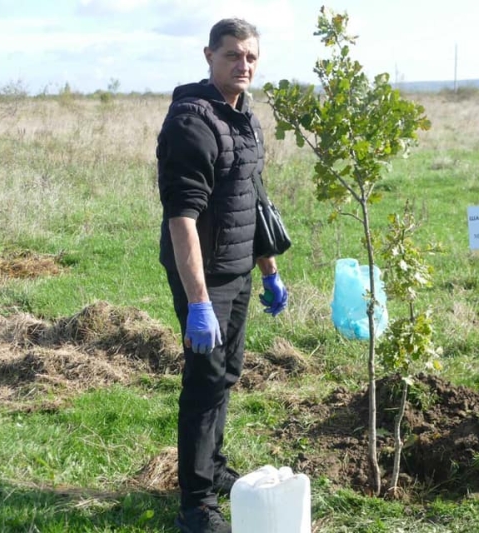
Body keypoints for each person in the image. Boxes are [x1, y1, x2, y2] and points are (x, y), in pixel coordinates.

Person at [156, 18, 288, 533]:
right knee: (205, 380)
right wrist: (198, 302)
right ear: (208, 56)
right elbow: (181, 219)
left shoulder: (244, 118)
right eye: (233, 54)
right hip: (203, 276)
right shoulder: (192, 123)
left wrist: (269, 270)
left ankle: (212, 470)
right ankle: (196, 503)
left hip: (238, 270)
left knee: (226, 374)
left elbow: (250, 203)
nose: (244, 64)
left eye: (251, 56)